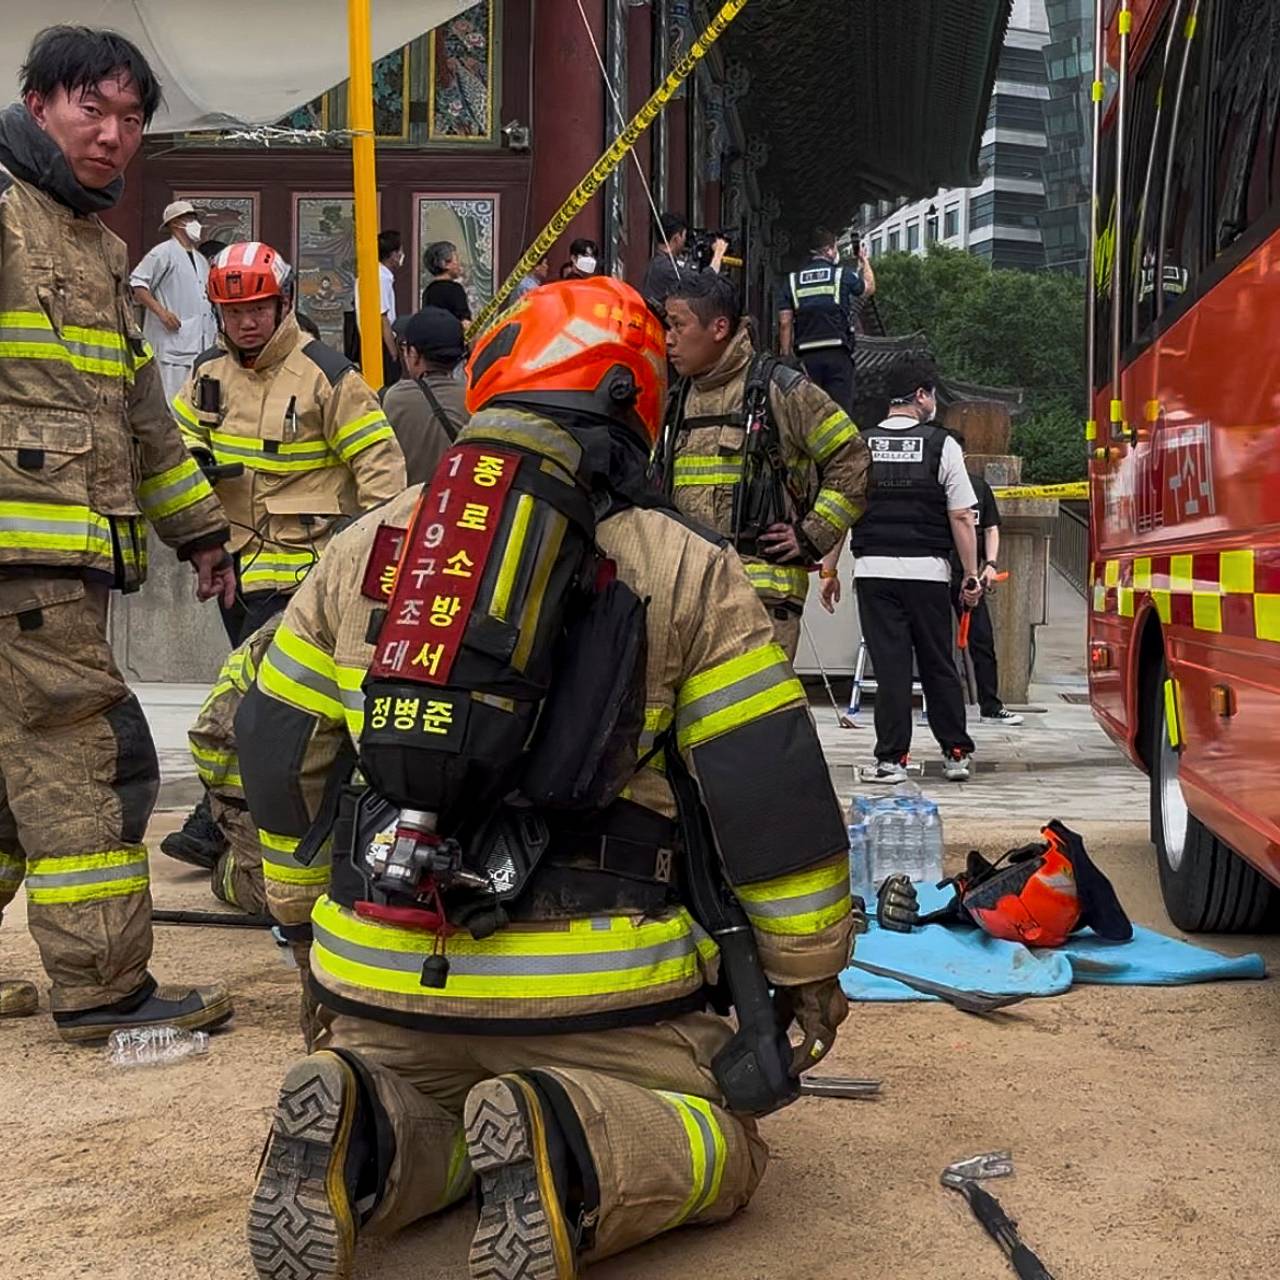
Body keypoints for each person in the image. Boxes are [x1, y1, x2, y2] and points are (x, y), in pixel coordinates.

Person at [239, 276, 854, 1280]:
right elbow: (766, 791)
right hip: (595, 1000)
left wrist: (305, 920)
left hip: (381, 978)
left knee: (432, 1104)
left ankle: (367, 1131)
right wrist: (806, 974)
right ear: (634, 402)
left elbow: (273, 744)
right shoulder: (684, 566)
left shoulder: (369, 544)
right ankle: (567, 1138)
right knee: (723, 1146)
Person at [0, 25, 237, 1040]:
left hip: (59, 559)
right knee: (86, 758)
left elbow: (142, 416)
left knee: (9, 779)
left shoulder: (95, 249)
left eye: (130, 117)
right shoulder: (6, 217)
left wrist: (202, 534)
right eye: (89, 108)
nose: (110, 134)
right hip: (30, 562)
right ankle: (104, 989)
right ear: (39, 103)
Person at [163, 240, 407, 871]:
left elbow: (381, 472)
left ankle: (215, 821)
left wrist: (372, 566)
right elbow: (173, 448)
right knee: (260, 704)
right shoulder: (208, 373)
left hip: (307, 574)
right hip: (235, 570)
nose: (247, 322)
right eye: (233, 311)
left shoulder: (327, 374)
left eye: (258, 309)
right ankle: (243, 823)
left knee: (254, 705)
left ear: (284, 303)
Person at [661, 272, 870, 660]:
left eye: (678, 325)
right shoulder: (678, 399)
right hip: (689, 599)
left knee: (753, 704)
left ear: (719, 328)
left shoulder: (782, 390)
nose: (668, 339)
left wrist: (810, 535)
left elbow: (853, 458)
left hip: (762, 604)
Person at [825, 354, 981, 783]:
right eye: (932, 396)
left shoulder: (860, 444)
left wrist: (829, 570)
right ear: (921, 396)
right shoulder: (942, 445)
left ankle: (891, 761)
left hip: (873, 573)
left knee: (890, 667)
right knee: (938, 663)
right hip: (928, 574)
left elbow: (841, 510)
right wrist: (970, 574)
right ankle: (955, 753)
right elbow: (962, 515)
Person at [947, 432, 1022, 726]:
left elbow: (990, 527)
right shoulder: (933, 487)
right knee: (934, 642)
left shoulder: (978, 487)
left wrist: (990, 564)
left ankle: (990, 705)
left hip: (970, 579)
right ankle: (940, 706)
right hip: (936, 573)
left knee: (982, 641)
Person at [777, 226, 875, 414]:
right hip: (837, 354)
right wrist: (864, 261)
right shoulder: (841, 275)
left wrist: (786, 358)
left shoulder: (792, 281)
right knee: (839, 414)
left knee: (809, 414)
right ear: (829, 250)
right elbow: (868, 288)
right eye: (836, 247)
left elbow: (785, 324)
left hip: (806, 358)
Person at [129, 198, 218, 403]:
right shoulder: (163, 253)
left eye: (194, 218)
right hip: (172, 344)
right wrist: (162, 313)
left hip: (200, 343)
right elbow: (137, 284)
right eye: (189, 218)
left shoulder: (200, 259)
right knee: (170, 400)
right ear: (175, 223)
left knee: (194, 401)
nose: (194, 223)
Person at [382, 306, 468, 484]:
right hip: (461, 500)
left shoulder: (395, 399)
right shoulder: (474, 400)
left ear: (413, 354)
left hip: (411, 500)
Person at [641, 212, 728, 309]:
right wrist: (718, 253)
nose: (685, 241)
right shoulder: (663, 267)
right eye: (684, 236)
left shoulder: (662, 262)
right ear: (676, 238)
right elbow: (701, 285)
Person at [421, 239, 471, 326]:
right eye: (456, 259)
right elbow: (465, 322)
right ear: (444, 264)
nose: (459, 264)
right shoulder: (455, 289)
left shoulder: (428, 291)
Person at [377, 229, 404, 385]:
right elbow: (383, 318)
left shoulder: (382, 275)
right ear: (393, 255)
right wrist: (393, 352)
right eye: (400, 251)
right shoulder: (381, 278)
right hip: (382, 344)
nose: (401, 255)